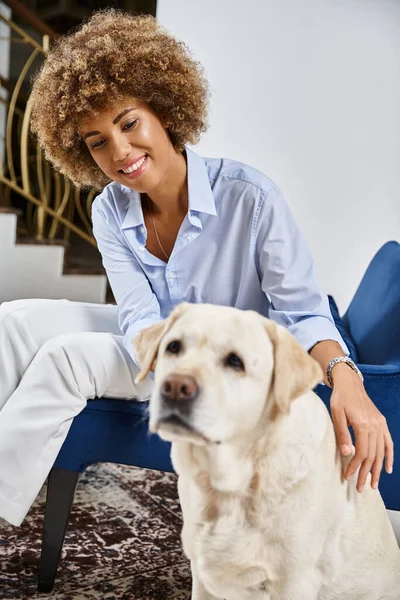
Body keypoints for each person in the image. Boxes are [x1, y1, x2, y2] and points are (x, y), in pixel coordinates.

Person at [0, 9, 393, 528]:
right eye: (97, 141)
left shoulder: (250, 198)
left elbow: (303, 312)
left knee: (65, 358)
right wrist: (164, 354)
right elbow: (138, 315)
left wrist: (349, 380)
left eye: (128, 122)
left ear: (163, 108)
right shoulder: (109, 209)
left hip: (225, 365)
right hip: (162, 346)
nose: (120, 152)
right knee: (13, 322)